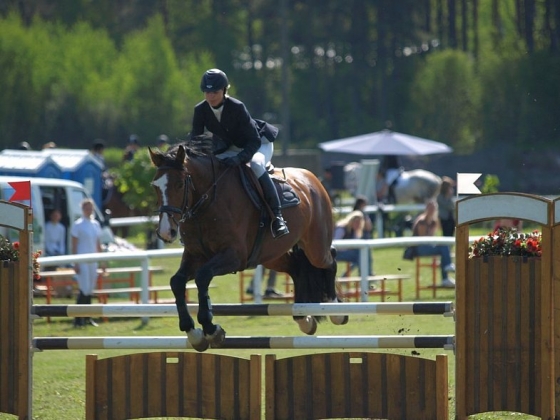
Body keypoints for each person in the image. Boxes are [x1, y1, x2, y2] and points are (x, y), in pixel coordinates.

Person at [190, 68, 288, 238]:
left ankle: (277, 217)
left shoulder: (236, 107)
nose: (210, 96)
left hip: (258, 144)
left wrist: (240, 158)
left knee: (257, 165)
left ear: (224, 90)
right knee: (211, 167)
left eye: (215, 91)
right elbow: (195, 140)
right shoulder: (200, 110)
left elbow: (254, 140)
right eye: (207, 92)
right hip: (232, 147)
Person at [71, 199, 103, 327]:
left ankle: (87, 317)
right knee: (83, 288)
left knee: (90, 289)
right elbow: (74, 245)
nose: (89, 211)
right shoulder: (78, 224)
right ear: (82, 209)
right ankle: (78, 319)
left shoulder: (95, 224)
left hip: (93, 260)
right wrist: (75, 262)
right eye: (87, 208)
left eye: (91, 208)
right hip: (82, 259)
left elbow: (98, 244)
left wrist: (102, 261)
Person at [411, 201, 455, 288]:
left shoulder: (434, 222)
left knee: (444, 248)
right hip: (418, 248)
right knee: (444, 248)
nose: (431, 210)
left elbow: (432, 237)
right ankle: (446, 273)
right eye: (430, 208)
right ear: (426, 209)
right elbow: (422, 239)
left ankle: (446, 276)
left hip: (428, 246)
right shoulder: (422, 221)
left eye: (433, 208)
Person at [333, 210, 373, 276]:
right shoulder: (342, 229)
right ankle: (365, 276)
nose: (358, 224)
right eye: (356, 222)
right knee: (361, 256)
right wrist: (348, 248)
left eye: (359, 222)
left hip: (346, 252)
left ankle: (363, 275)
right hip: (335, 253)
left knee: (363, 255)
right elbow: (334, 244)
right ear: (351, 221)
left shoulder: (355, 231)